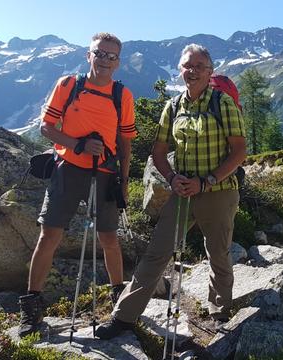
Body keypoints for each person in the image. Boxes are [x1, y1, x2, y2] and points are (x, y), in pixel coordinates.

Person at [96, 43, 246, 339]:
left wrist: (207, 181)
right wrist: (172, 178)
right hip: (182, 191)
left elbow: (239, 152)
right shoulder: (173, 106)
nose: (192, 71)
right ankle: (124, 317)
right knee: (157, 253)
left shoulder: (222, 103)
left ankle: (220, 312)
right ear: (180, 69)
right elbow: (159, 152)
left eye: (199, 67)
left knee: (217, 252)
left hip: (218, 190)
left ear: (209, 72)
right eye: (187, 66)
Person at [18, 32, 137, 337]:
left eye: (111, 56)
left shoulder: (122, 95)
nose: (105, 60)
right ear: (89, 56)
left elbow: (125, 141)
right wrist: (77, 144)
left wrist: (124, 181)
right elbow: (47, 127)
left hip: (107, 173)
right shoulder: (69, 86)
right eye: (100, 54)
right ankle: (31, 311)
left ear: (118, 62)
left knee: (109, 238)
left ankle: (118, 300)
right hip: (68, 168)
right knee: (49, 236)